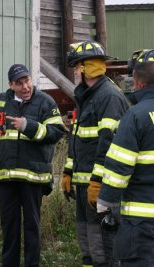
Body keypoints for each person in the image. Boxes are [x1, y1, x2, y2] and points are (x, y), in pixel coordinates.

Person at [0, 64, 66, 267]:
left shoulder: (45, 102)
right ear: (10, 85)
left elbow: (56, 132)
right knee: (9, 229)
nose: (25, 86)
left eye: (27, 80)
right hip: (6, 178)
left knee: (32, 229)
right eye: (19, 83)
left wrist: (28, 127)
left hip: (33, 178)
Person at [62, 41, 129, 267]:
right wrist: (68, 171)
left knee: (102, 248)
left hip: (99, 188)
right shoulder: (86, 96)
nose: (75, 71)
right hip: (83, 188)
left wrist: (98, 182)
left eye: (76, 66)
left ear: (83, 68)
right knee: (87, 245)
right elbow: (78, 139)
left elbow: (109, 144)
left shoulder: (108, 96)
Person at [97, 49, 154, 266]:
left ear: (138, 82)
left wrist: (105, 205)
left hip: (142, 227)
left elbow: (118, 169)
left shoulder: (135, 116)